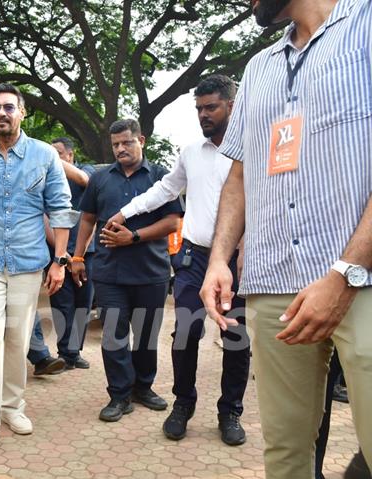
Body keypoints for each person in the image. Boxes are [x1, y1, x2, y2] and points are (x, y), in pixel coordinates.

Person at [199, 1, 372, 477]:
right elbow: (239, 173)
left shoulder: (365, 25)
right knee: (284, 452)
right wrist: (219, 261)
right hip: (273, 283)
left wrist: (345, 272)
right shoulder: (258, 68)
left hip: (361, 280)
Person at [105, 75, 250, 445]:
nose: (203, 115)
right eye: (199, 108)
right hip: (195, 259)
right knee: (185, 334)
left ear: (231, 105)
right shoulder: (191, 152)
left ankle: (230, 411)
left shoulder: (254, 148)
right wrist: (125, 212)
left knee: (236, 338)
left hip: (240, 261)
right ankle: (183, 404)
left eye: (211, 107)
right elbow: (166, 188)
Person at [0, 83, 77, 451]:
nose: (1, 114)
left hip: (28, 263)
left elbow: (60, 209)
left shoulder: (43, 155)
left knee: (17, 339)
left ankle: (13, 406)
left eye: (9, 107)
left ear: (22, 112)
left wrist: (59, 262)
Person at [72, 118, 183, 422]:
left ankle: (143, 387)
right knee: (113, 335)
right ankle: (119, 395)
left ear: (141, 140)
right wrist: (78, 257)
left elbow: (173, 222)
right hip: (109, 272)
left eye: (126, 142)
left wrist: (133, 236)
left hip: (151, 271)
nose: (121, 149)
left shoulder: (161, 176)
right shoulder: (100, 178)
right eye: (116, 144)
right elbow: (86, 219)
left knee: (146, 335)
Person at [49, 137, 96, 370]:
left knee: (83, 303)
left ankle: (75, 351)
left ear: (70, 155)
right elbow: (43, 217)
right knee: (61, 303)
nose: (53, 158)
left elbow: (84, 179)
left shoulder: (85, 170)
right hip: (57, 254)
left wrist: (49, 157)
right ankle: (65, 352)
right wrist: (61, 253)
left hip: (87, 253)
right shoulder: (46, 179)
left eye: (57, 153)